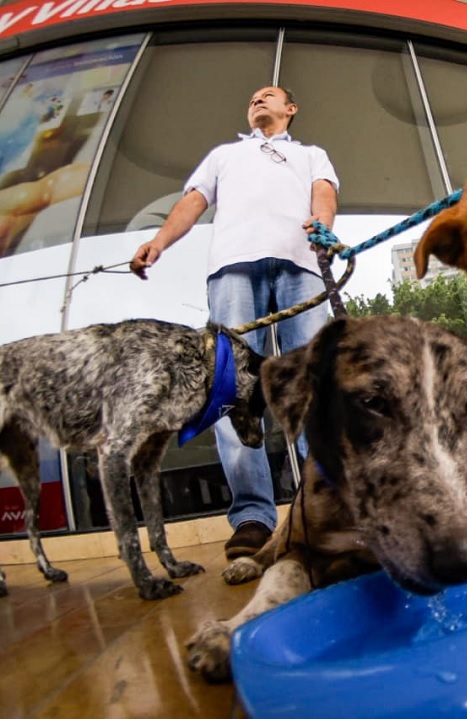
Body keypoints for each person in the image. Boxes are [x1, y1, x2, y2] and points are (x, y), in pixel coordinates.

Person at [129, 86, 339, 559]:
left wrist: (323, 225)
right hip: (231, 270)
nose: (257, 101)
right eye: (251, 98)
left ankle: (326, 501)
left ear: (291, 108)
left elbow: (323, 193)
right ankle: (251, 516)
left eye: (268, 96)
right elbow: (194, 200)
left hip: (301, 266)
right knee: (230, 391)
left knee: (313, 384)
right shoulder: (225, 154)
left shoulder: (310, 154)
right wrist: (160, 242)